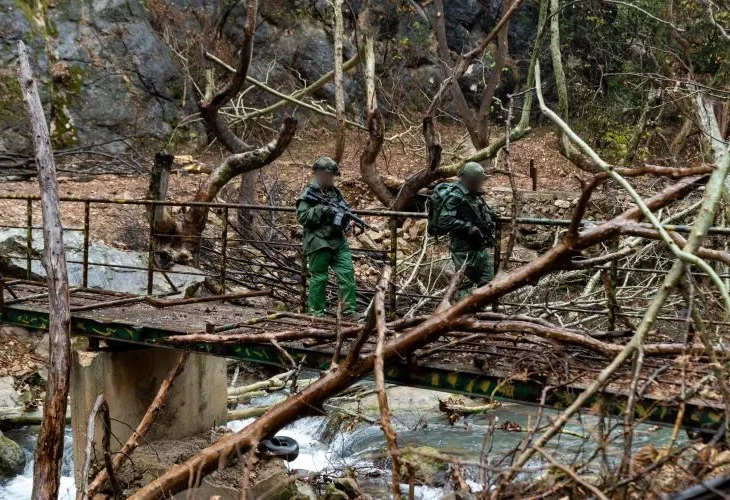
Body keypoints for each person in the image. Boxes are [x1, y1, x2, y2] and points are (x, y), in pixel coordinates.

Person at [296, 156, 358, 318]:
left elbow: (345, 208)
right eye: (328, 176)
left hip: (337, 240)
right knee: (319, 278)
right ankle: (316, 315)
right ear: (319, 174)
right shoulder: (308, 193)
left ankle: (348, 312)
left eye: (332, 176)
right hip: (318, 240)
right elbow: (302, 217)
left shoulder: (333, 192)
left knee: (347, 273)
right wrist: (321, 210)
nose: (331, 179)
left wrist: (348, 221)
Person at [437, 161, 497, 296]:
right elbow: (444, 220)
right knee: (465, 287)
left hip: (480, 247)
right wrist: (468, 227)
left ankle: (477, 312)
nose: (480, 183)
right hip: (464, 250)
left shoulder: (474, 194)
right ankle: (459, 312)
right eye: (477, 181)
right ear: (468, 179)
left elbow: (483, 211)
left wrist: (490, 216)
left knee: (489, 283)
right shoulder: (455, 196)